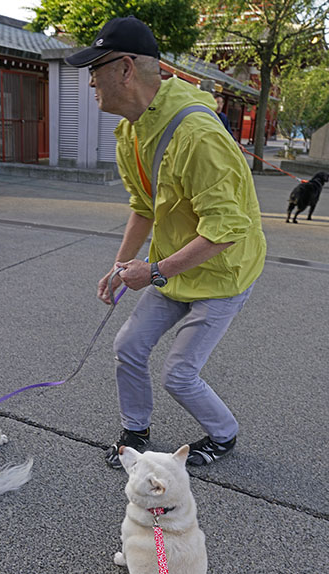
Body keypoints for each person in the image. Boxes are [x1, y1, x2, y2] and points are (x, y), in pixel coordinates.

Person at [66, 17, 266, 469]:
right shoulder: (132, 131)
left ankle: (224, 434)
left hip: (223, 274)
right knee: (128, 346)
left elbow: (225, 230)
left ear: (125, 69)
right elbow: (143, 206)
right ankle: (135, 433)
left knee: (179, 373)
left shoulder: (198, 135)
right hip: (174, 269)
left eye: (95, 69)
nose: (91, 81)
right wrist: (121, 266)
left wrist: (153, 271)